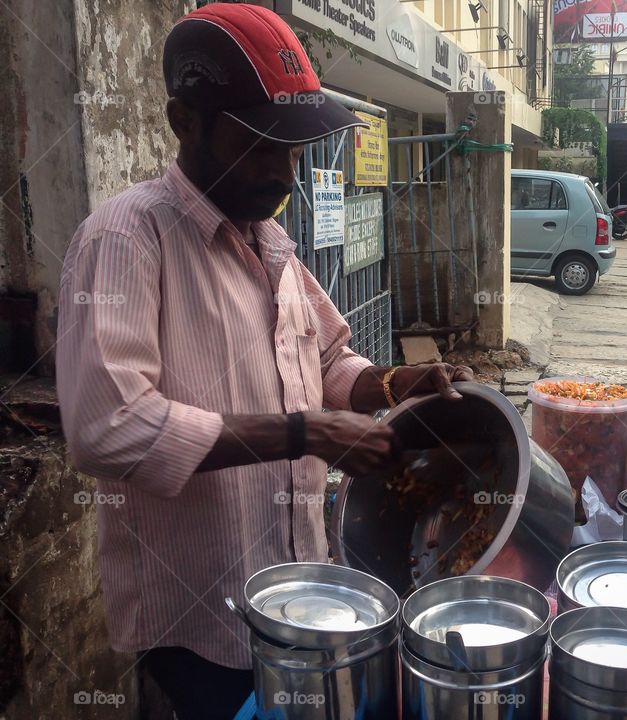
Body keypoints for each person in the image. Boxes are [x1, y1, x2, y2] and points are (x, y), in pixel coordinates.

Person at [55, 5, 473, 718]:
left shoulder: (268, 235)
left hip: (296, 589)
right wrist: (303, 432)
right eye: (260, 146)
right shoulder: (125, 239)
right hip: (199, 619)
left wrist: (399, 384)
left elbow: (329, 362)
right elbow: (107, 427)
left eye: (296, 151)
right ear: (184, 121)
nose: (284, 173)